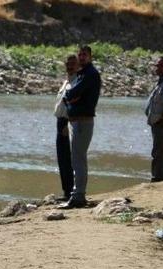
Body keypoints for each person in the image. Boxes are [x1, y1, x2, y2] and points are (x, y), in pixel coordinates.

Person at [58, 45, 102, 208]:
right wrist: (71, 99)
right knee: (77, 158)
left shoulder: (90, 74)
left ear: (90, 57)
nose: (81, 57)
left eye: (84, 55)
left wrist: (70, 98)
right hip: (77, 120)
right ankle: (77, 194)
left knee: (78, 159)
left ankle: (78, 196)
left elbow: (72, 94)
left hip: (83, 121)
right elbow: (70, 97)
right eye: (80, 55)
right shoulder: (83, 73)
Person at [53, 55, 79, 200]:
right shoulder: (66, 82)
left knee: (69, 158)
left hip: (68, 122)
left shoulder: (77, 82)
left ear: (78, 66)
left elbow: (74, 105)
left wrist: (68, 124)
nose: (69, 66)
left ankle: (72, 192)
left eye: (72, 64)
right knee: (62, 158)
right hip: (60, 121)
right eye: (68, 64)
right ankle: (66, 191)